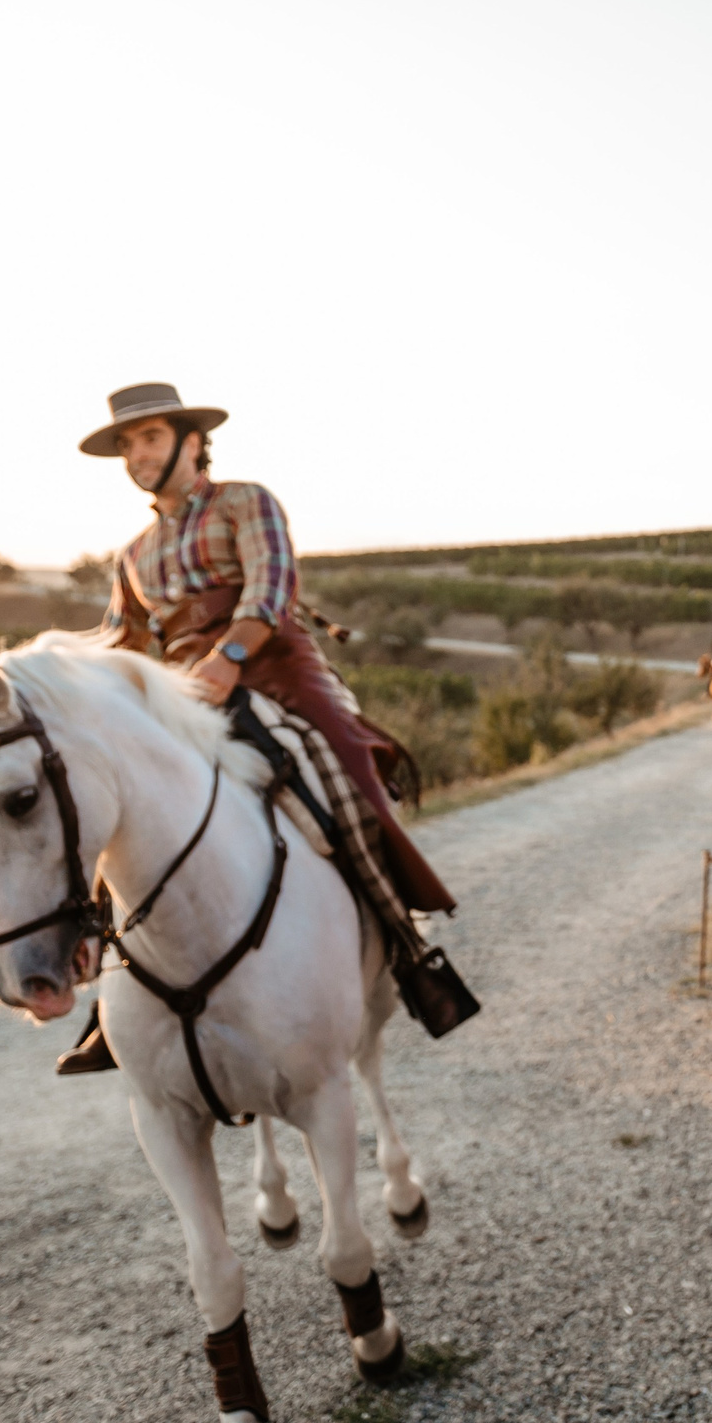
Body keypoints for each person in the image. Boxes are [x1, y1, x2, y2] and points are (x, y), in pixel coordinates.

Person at [54, 384, 461, 1075]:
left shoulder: (245, 502)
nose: (136, 454)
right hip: (183, 687)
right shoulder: (133, 553)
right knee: (116, 803)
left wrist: (228, 657)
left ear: (191, 441)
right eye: (126, 445)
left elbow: (269, 590)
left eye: (150, 437)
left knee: (345, 770)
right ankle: (108, 1004)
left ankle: (405, 945)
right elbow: (122, 639)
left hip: (273, 663)